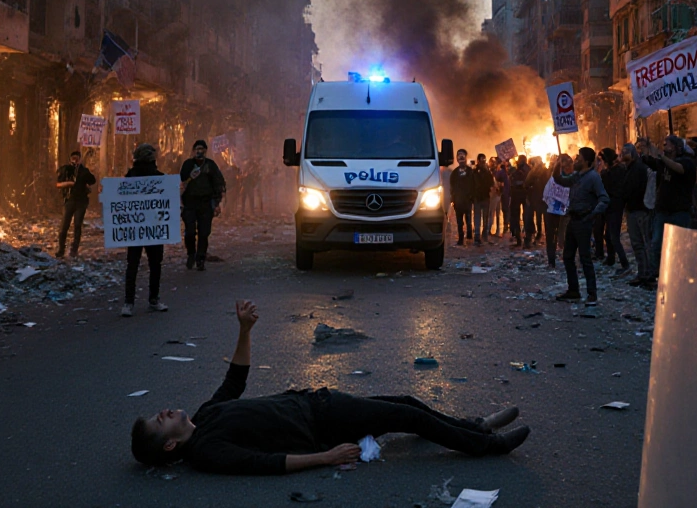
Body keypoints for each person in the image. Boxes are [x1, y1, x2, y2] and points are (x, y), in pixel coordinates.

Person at [130, 300, 531, 474]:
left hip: (316, 403)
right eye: (159, 422)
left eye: (158, 413)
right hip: (321, 424)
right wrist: (326, 457)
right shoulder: (207, 452)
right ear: (169, 445)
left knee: (405, 404)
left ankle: (474, 425)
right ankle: (487, 446)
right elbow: (265, 465)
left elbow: (234, 380)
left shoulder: (204, 416)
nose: (163, 411)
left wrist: (245, 329)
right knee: (405, 415)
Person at [552, 147, 610, 304]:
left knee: (585, 259)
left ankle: (592, 293)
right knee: (568, 256)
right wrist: (558, 163)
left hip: (584, 222)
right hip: (573, 220)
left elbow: (604, 199)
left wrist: (592, 215)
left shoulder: (593, 178)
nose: (575, 159)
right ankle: (573, 290)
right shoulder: (576, 176)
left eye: (578, 158)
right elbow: (559, 179)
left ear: (586, 161)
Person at [640, 136, 696, 290]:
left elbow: (679, 169)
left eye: (668, 144)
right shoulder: (662, 163)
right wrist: (646, 147)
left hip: (679, 212)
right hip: (663, 211)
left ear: (678, 147)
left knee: (679, 245)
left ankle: (680, 276)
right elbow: (649, 160)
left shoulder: (687, 162)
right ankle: (655, 275)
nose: (665, 146)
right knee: (656, 243)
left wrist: (661, 157)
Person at [121, 143, 168, 317]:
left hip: (135, 227)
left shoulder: (130, 176)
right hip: (153, 228)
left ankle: (128, 303)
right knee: (155, 264)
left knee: (132, 265)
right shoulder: (158, 177)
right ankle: (153, 300)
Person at [180, 140, 227, 271]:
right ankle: (191, 254)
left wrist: (217, 203)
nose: (199, 152)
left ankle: (200, 258)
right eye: (197, 149)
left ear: (206, 151)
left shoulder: (210, 165)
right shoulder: (187, 164)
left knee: (204, 232)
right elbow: (181, 181)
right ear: (193, 151)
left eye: (202, 149)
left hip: (206, 203)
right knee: (189, 231)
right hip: (190, 203)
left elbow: (218, 183)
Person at [55, 150, 97, 258]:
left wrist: (85, 173)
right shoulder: (66, 169)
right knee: (64, 226)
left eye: (77, 158)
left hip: (81, 202)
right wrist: (69, 183)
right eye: (73, 158)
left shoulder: (84, 171)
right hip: (69, 201)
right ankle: (61, 250)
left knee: (77, 225)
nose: (75, 160)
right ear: (70, 159)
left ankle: (74, 250)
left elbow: (92, 180)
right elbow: (58, 184)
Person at [621, 144, 653, 284]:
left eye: (626, 152)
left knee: (644, 243)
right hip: (633, 209)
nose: (623, 155)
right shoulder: (628, 169)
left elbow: (634, 189)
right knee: (637, 243)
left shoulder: (638, 169)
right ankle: (643, 273)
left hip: (640, 210)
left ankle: (648, 274)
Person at [599, 147, 631, 274]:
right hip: (612, 206)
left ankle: (625, 264)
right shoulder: (617, 170)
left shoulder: (612, 173)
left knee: (614, 237)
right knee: (608, 235)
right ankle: (611, 258)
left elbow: (606, 184)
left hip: (615, 206)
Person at [541, 154, 572, 269]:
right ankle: (558, 260)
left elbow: (546, 193)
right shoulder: (570, 178)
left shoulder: (557, 177)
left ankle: (553, 261)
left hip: (555, 212)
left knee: (554, 237)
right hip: (560, 212)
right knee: (558, 236)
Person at [449, 149, 475, 246]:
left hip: (467, 200)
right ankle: (461, 238)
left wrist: (472, 197)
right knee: (459, 222)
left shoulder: (470, 172)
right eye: (459, 156)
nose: (461, 158)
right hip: (458, 201)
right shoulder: (454, 173)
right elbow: (452, 186)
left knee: (468, 220)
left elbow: (474, 184)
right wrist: (453, 198)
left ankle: (469, 235)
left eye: (462, 156)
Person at [509, 155, 533, 247]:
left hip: (522, 195)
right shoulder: (526, 169)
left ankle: (524, 239)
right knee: (523, 217)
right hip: (520, 195)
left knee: (524, 217)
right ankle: (522, 238)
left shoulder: (526, 170)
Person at [472, 153, 494, 245]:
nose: (483, 162)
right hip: (478, 197)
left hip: (485, 197)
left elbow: (491, 182)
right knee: (477, 217)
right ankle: (477, 235)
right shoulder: (474, 172)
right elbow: (471, 184)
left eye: (484, 160)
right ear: (478, 161)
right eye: (481, 160)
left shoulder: (487, 171)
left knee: (485, 217)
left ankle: (484, 234)